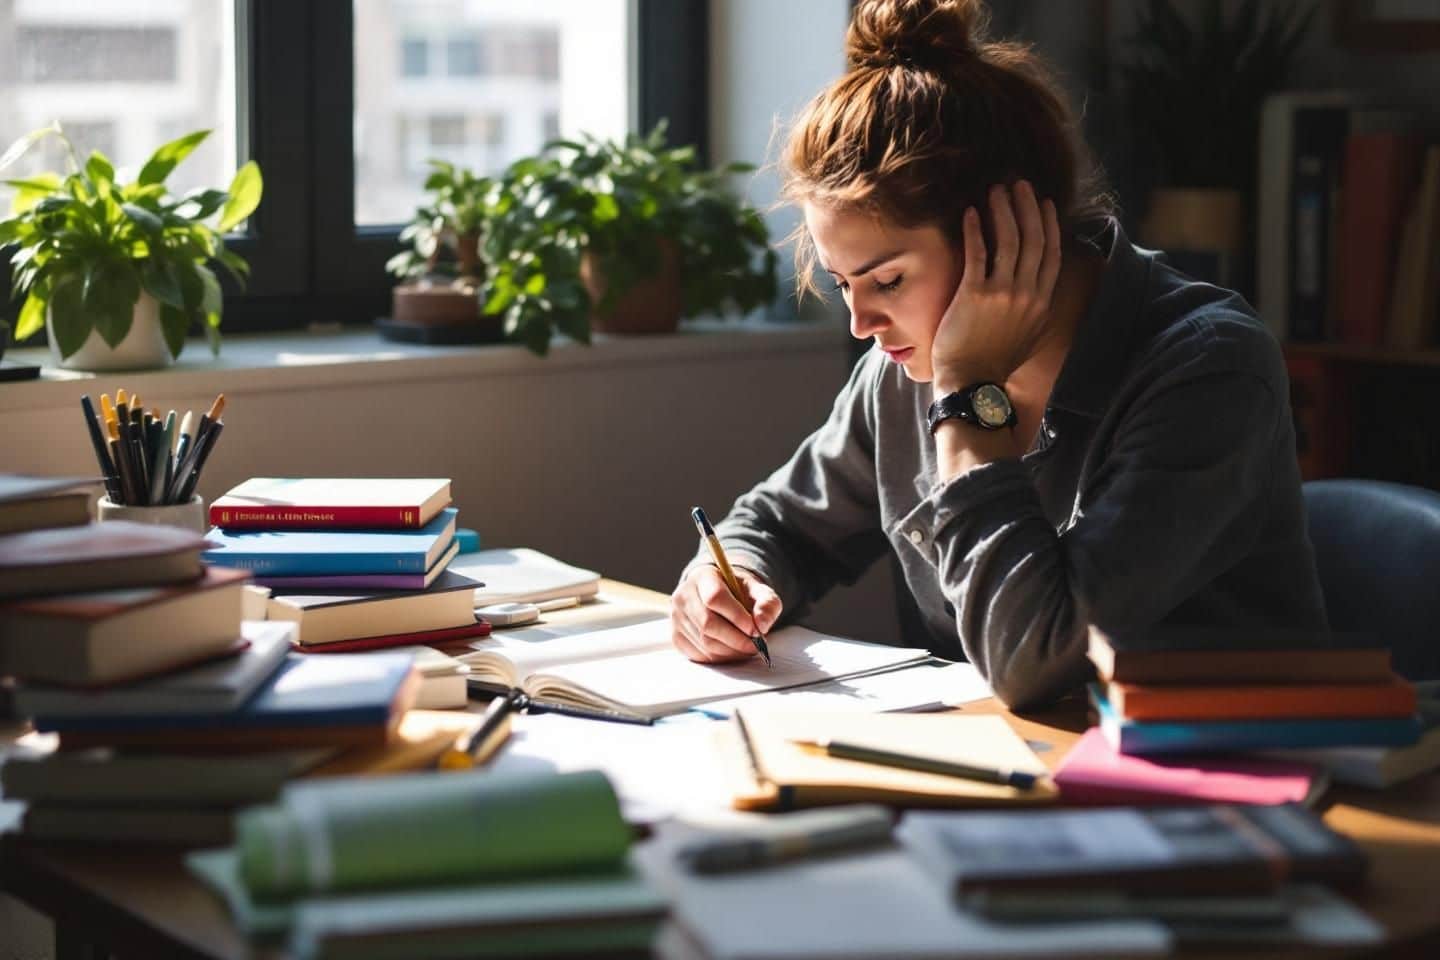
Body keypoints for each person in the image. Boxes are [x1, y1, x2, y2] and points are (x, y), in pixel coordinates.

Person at [669, 0, 1326, 710]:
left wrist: (966, 396)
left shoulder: (1208, 370)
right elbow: (776, 524)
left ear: (1002, 236)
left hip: (1220, 767)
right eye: (842, 283)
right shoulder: (899, 375)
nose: (860, 323)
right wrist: (724, 580)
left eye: (888, 281)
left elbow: (1032, 660)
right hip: (1006, 761)